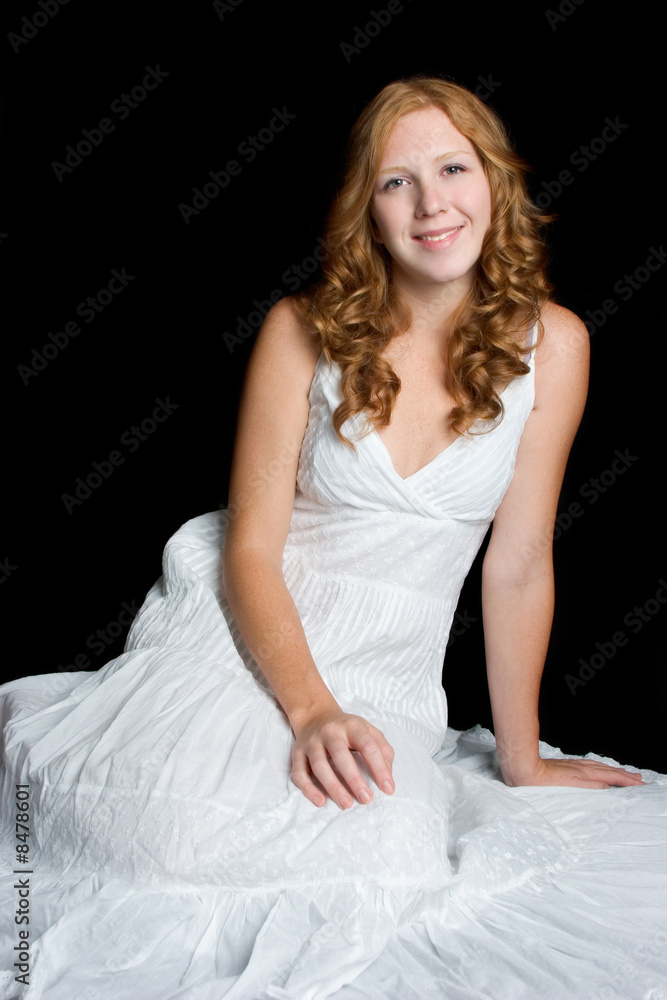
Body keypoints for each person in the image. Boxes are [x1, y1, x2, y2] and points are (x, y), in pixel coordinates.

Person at [1, 74, 665, 1000]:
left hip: (387, 672)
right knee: (175, 834)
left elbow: (517, 564)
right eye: (397, 182)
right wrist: (312, 710)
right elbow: (248, 547)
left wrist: (521, 758)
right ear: (366, 210)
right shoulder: (299, 330)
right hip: (245, 640)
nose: (431, 204)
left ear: (494, 180)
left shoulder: (554, 345)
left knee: (381, 856)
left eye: (452, 169)